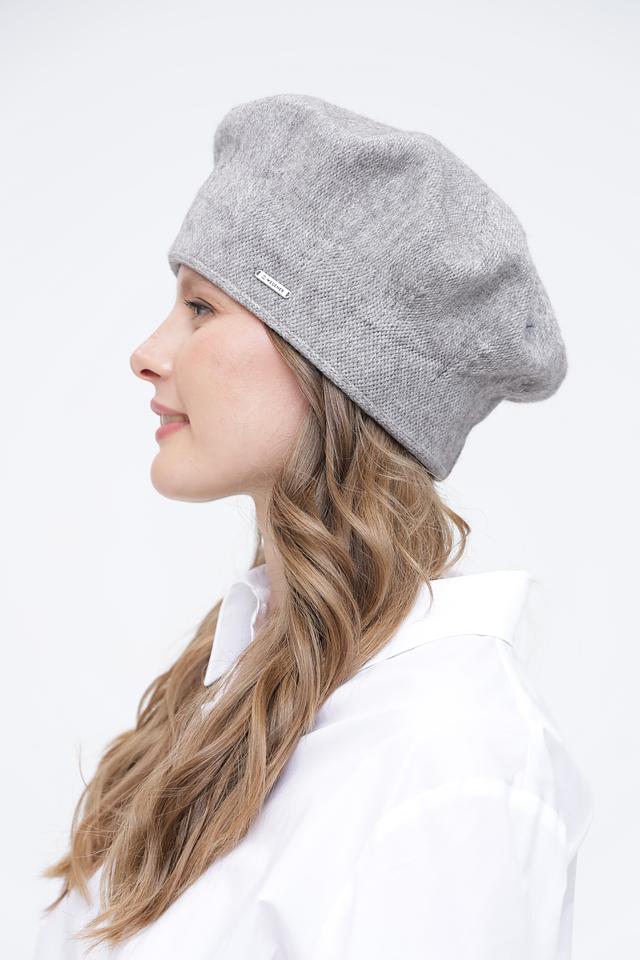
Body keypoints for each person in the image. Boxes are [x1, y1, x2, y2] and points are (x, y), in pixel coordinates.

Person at [33, 94, 594, 960]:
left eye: (202, 307)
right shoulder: (233, 688)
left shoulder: (449, 754)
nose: (149, 352)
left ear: (328, 363)